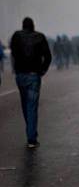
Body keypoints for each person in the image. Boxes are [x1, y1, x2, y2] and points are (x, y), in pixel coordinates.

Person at [9, 17, 52, 148]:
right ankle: (31, 138)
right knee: (31, 106)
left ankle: (31, 132)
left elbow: (13, 53)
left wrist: (16, 68)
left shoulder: (16, 36)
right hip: (34, 75)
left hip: (21, 75)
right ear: (33, 25)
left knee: (25, 104)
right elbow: (48, 56)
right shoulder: (40, 37)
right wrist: (42, 70)